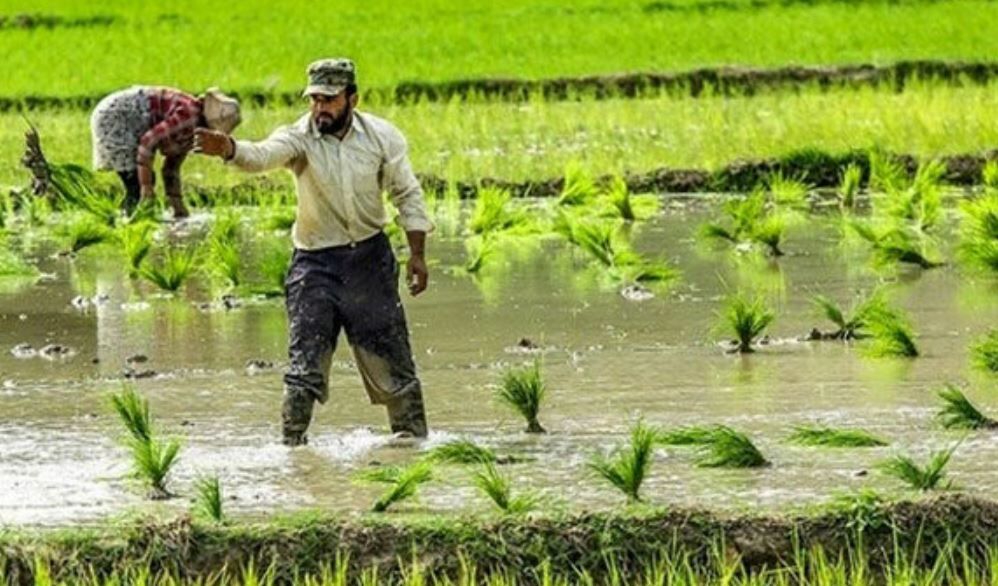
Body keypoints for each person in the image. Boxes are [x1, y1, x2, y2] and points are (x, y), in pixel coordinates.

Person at [194, 58, 433, 446]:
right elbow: (261, 155)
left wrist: (417, 254)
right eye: (314, 99)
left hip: (370, 261)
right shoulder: (300, 137)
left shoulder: (381, 137)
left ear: (352, 98)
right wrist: (229, 148)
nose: (320, 108)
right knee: (305, 367)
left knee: (394, 365)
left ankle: (414, 447)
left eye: (329, 99)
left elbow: (407, 193)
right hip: (315, 266)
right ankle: (291, 451)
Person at [90, 86, 241, 218]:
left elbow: (171, 168)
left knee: (139, 182)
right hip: (117, 115)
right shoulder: (188, 117)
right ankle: (123, 226)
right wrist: (147, 187)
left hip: (124, 115)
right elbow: (148, 142)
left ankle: (124, 222)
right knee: (136, 184)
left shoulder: (194, 132)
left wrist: (178, 206)